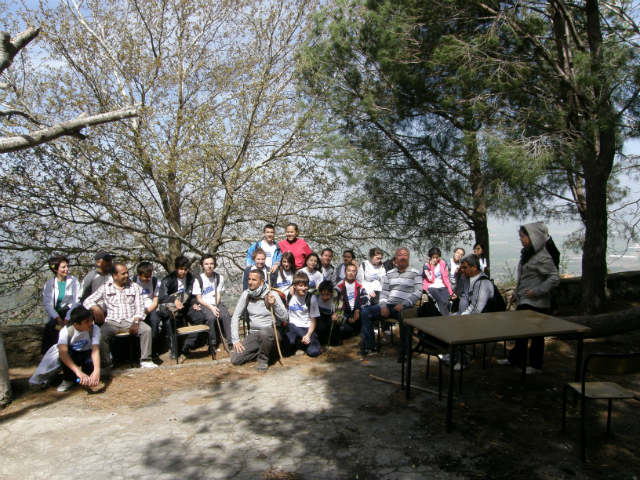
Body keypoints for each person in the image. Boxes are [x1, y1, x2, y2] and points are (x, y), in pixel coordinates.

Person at [498, 222, 560, 374]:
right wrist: (516, 293)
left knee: (536, 336)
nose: (520, 239)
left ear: (532, 237)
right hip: (525, 300)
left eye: (522, 236)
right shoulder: (527, 254)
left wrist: (537, 291)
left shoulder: (542, 257)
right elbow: (524, 279)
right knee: (521, 332)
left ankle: (536, 365)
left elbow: (554, 278)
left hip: (537, 303)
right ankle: (515, 359)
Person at [83, 263, 157, 370]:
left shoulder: (135, 287)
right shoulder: (105, 288)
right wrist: (96, 308)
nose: (126, 275)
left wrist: (136, 322)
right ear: (114, 276)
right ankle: (105, 364)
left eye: (127, 272)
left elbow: (140, 308)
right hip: (112, 322)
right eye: (123, 274)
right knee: (101, 334)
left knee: (146, 330)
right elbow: (87, 301)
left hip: (131, 320)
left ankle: (146, 360)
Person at [359, 248, 422, 359]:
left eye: (405, 255)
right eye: (399, 255)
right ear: (396, 258)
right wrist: (383, 306)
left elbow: (418, 292)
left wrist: (404, 304)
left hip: (405, 307)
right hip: (389, 305)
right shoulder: (389, 274)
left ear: (408, 257)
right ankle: (369, 347)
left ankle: (405, 352)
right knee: (365, 312)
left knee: (405, 316)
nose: (402, 257)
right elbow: (384, 292)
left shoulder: (415, 273)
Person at [230, 270, 288, 371]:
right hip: (254, 334)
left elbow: (285, 318)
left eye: (254, 280)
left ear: (262, 281)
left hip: (271, 333)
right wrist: (235, 340)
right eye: (249, 279)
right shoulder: (246, 294)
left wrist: (274, 304)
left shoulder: (271, 294)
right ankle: (267, 351)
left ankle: (263, 360)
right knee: (236, 359)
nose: (250, 282)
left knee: (264, 333)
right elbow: (236, 316)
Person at [157, 255, 211, 362]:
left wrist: (195, 303)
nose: (183, 272)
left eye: (185, 269)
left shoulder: (191, 278)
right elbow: (161, 297)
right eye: (181, 269)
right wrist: (174, 300)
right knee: (169, 321)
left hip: (187, 306)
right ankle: (174, 349)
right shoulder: (168, 279)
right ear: (177, 268)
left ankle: (188, 344)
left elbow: (193, 294)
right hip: (173, 309)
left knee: (199, 317)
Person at [192, 254, 233, 353]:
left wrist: (215, 305)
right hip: (205, 304)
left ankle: (231, 341)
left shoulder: (219, 277)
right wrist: (210, 307)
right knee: (211, 318)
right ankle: (212, 343)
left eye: (211, 264)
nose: (209, 266)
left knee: (225, 315)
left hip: (216, 303)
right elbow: (199, 298)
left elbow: (218, 294)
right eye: (206, 264)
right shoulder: (198, 280)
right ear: (203, 265)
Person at [41, 255, 81, 354]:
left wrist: (67, 318)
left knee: (72, 330)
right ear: (56, 270)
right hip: (56, 314)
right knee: (51, 328)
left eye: (67, 266)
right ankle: (50, 354)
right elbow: (48, 304)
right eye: (63, 267)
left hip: (70, 312)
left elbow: (76, 301)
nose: (66, 269)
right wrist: (57, 317)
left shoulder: (73, 281)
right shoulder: (49, 284)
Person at [56, 306, 101, 392]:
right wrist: (77, 371)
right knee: (66, 356)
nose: (90, 323)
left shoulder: (95, 329)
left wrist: (97, 370)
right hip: (73, 354)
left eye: (91, 320)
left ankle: (88, 377)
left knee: (91, 361)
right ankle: (69, 379)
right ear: (76, 324)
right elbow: (62, 353)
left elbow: (95, 351)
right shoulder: (66, 331)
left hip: (87, 353)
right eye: (86, 321)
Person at [285, 272, 321, 357]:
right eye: (300, 285)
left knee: (314, 352)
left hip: (306, 327)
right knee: (285, 349)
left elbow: (313, 321)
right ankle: (296, 342)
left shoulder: (311, 298)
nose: (303, 288)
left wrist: (308, 335)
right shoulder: (289, 295)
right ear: (295, 285)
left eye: (305, 285)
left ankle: (303, 342)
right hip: (292, 325)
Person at [132, 261, 161, 358]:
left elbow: (155, 302)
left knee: (155, 320)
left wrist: (146, 312)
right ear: (139, 275)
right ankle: (135, 351)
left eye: (150, 276)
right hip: (136, 309)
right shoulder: (132, 282)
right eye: (146, 277)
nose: (149, 279)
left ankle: (153, 349)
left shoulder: (155, 281)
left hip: (150, 308)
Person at [80, 250, 114, 325]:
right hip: (96, 314)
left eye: (110, 260)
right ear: (97, 263)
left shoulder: (114, 274)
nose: (109, 263)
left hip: (113, 313)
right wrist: (93, 307)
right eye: (106, 260)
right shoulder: (90, 278)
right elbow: (82, 298)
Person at [335, 264, 369, 338]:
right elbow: (336, 305)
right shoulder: (339, 286)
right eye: (349, 271)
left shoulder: (360, 285)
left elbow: (366, 300)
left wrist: (358, 310)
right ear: (345, 272)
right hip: (345, 314)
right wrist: (346, 318)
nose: (351, 273)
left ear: (356, 273)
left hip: (357, 314)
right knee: (345, 332)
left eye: (353, 271)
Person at [422, 247, 453, 315]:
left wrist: (450, 291)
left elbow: (446, 277)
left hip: (442, 285)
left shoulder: (443, 264)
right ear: (430, 257)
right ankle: (444, 317)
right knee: (439, 300)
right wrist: (432, 267)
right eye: (433, 257)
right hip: (431, 286)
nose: (435, 259)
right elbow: (431, 279)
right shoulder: (426, 266)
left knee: (446, 301)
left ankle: (446, 317)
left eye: (437, 257)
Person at [315, 280, 340, 345]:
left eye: (327, 295)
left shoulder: (337, 297)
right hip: (320, 316)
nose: (324, 297)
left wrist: (337, 317)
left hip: (331, 316)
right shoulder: (315, 296)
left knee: (334, 326)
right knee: (320, 327)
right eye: (322, 295)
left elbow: (341, 314)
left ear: (331, 293)